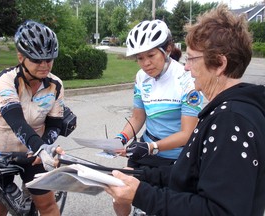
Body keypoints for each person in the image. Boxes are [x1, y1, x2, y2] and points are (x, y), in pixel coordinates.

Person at [106, 5, 265, 216]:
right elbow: (192, 172)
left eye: (191, 58)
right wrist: (141, 174)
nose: (187, 67)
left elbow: (217, 210)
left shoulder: (230, 122)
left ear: (219, 63)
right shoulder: (229, 111)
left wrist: (141, 193)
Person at [0, 20, 65, 216]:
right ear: (21, 57)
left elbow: (55, 124)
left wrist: (43, 146)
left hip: (32, 153)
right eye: (37, 60)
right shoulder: (6, 80)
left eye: (49, 59)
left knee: (47, 205)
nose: (44, 66)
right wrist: (41, 148)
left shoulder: (56, 84)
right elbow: (16, 120)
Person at [115, 19, 203, 170]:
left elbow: (187, 133)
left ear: (167, 49)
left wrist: (151, 147)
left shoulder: (186, 79)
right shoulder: (141, 77)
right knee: (124, 189)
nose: (145, 63)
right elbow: (138, 117)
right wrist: (120, 139)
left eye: (151, 55)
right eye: (140, 58)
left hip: (174, 157)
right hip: (147, 149)